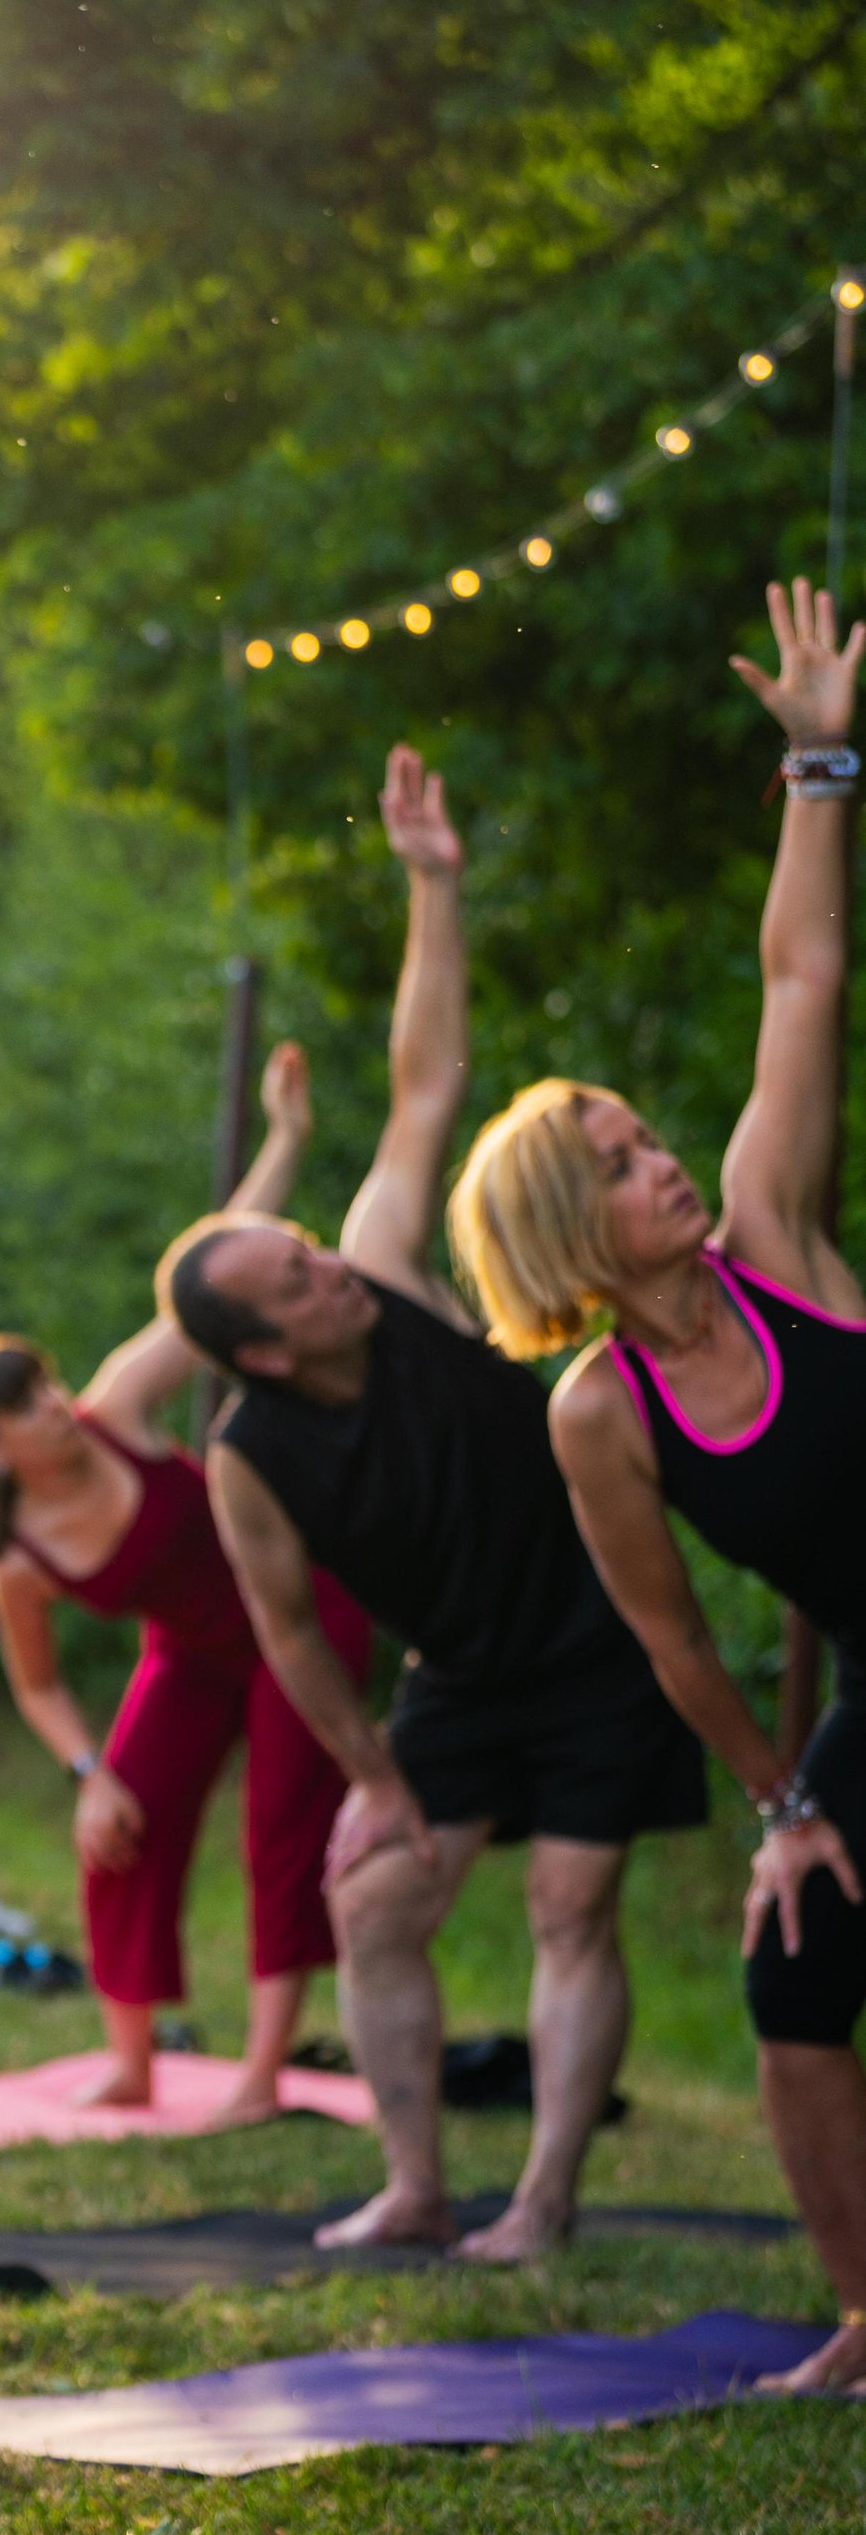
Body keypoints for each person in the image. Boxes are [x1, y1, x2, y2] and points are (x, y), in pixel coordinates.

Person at [163, 747, 707, 2260]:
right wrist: (375, 1777)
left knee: (567, 1912)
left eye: (314, 1250)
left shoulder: (391, 1266)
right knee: (379, 1905)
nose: (330, 1268)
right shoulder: (251, 1455)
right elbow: (286, 1634)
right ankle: (413, 2183)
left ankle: (540, 2203)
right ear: (264, 1346)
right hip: (459, 1680)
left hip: (603, 1639)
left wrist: (432, 884)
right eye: (297, 1281)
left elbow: (425, 1083)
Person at [450, 577, 866, 2392]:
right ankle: (863, 2318)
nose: (666, 1160)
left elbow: (803, 975)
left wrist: (823, 763)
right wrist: (783, 1802)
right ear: (568, 1230)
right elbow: (673, 1639)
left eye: (647, 1134)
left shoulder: (777, 1236)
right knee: (796, 1971)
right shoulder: (603, 1411)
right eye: (620, 1161)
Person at [0, 1044, 373, 2119]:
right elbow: (36, 1686)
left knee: (280, 1830)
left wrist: (288, 1138)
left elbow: (202, 1290)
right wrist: (90, 1771)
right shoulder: (16, 1554)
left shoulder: (118, 1411)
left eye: (45, 1382)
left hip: (298, 1615)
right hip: (193, 1653)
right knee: (117, 1831)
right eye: (27, 1403)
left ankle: (263, 2073)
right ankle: (131, 2061)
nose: (56, 1401)